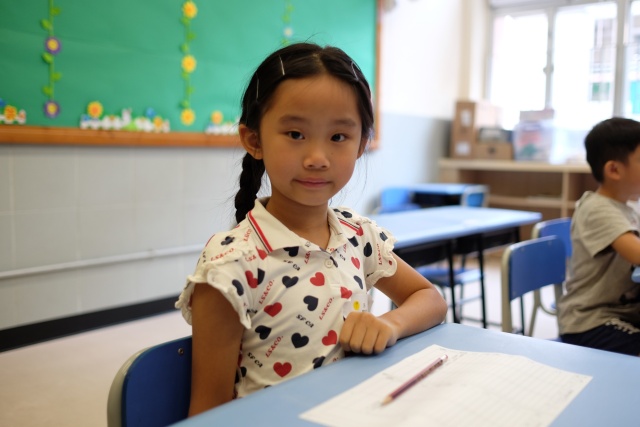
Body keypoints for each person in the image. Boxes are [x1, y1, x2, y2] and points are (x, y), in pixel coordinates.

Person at [175, 42, 448, 416]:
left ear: (361, 144)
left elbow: (430, 298)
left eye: (338, 137)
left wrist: (391, 324)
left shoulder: (358, 235)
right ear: (254, 140)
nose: (317, 159)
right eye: (295, 134)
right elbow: (208, 413)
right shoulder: (230, 266)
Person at [558, 117, 640, 356]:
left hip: (623, 313)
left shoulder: (628, 208)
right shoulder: (597, 208)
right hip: (591, 321)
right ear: (614, 170)